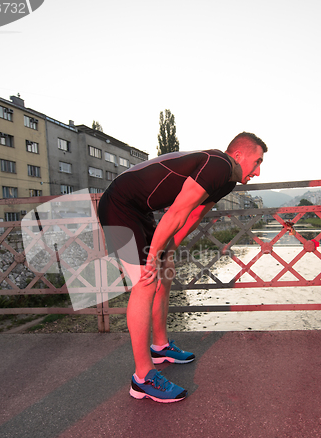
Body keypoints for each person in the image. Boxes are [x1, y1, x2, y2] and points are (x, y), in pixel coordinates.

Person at [98, 132, 267, 403]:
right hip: (118, 204)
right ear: (238, 155)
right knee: (145, 281)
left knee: (165, 273)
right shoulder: (220, 165)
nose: (258, 171)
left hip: (139, 210)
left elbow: (194, 214)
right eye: (257, 162)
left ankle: (161, 346)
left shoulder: (227, 181)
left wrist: (169, 250)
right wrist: (153, 255)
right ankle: (142, 378)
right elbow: (176, 212)